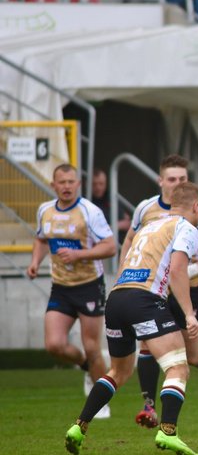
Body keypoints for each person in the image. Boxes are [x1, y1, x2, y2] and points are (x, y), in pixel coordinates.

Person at [64, 182, 198, 455]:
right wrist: (189, 313)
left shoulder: (149, 226)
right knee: (178, 367)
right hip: (144, 300)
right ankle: (168, 431)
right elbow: (178, 271)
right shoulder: (186, 227)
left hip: (117, 299)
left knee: (119, 371)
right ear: (196, 206)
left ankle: (79, 426)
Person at [119, 154, 198, 428]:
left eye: (182, 178)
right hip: (153, 290)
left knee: (190, 355)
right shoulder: (145, 208)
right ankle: (149, 406)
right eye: (172, 179)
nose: (177, 183)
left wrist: (192, 269)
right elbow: (130, 240)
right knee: (147, 343)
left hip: (189, 290)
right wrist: (123, 275)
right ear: (160, 181)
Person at [27, 164, 117, 420]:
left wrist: (79, 254)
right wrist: (35, 262)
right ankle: (86, 366)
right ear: (53, 185)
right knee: (54, 345)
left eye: (71, 181)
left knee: (92, 346)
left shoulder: (90, 211)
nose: (66, 186)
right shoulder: (45, 210)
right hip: (61, 287)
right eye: (62, 182)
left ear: (78, 184)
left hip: (89, 285)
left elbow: (110, 246)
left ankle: (100, 402)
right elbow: (41, 239)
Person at [89, 168, 130, 239]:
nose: (98, 187)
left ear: (106, 184)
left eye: (101, 184)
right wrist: (117, 225)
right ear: (88, 184)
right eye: (94, 184)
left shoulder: (112, 198)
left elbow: (127, 223)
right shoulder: (86, 202)